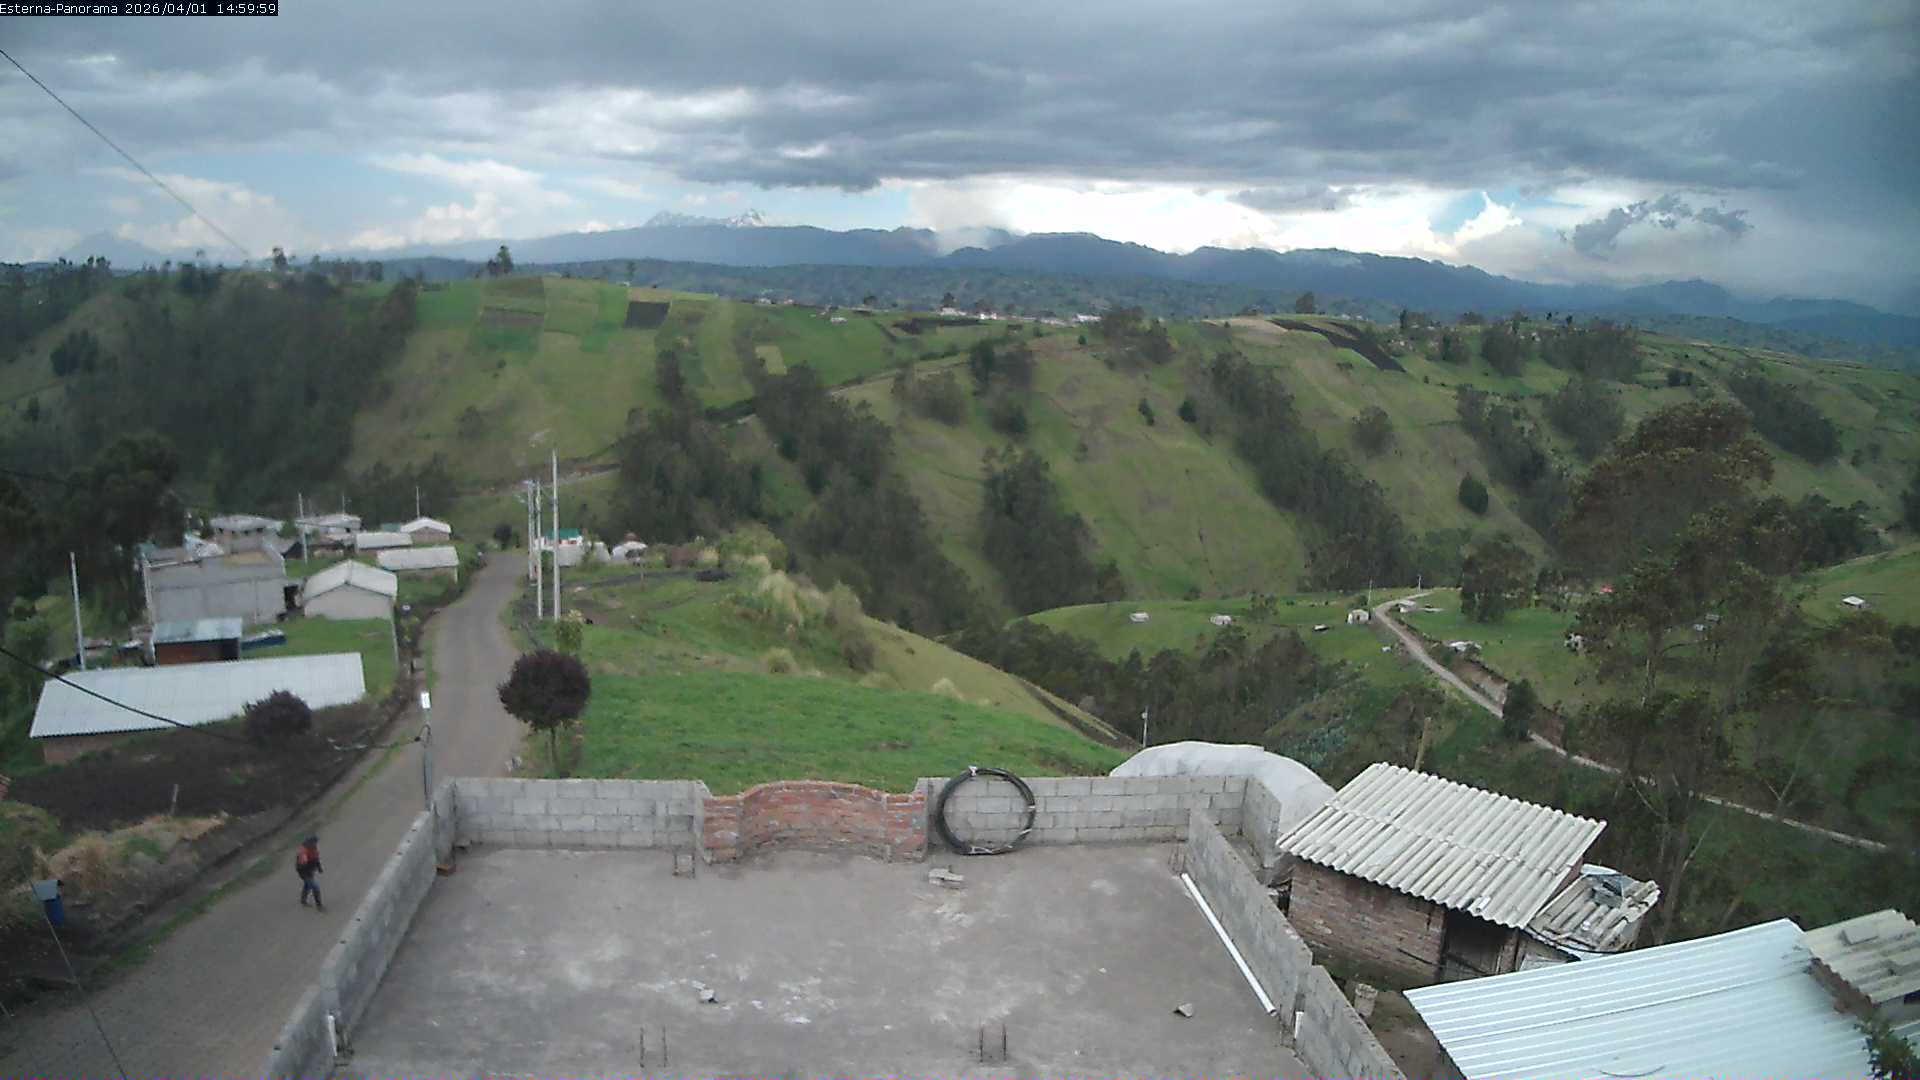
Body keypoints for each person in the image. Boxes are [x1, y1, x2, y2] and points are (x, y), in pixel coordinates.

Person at [295, 835, 324, 911]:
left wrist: (319, 867)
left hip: (310, 871)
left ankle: (303, 900)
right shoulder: (303, 852)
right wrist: (305, 862)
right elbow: (302, 863)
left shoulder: (314, 849)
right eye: (315, 842)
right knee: (315, 887)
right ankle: (319, 905)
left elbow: (316, 858)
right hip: (304, 872)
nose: (316, 843)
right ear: (310, 843)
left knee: (307, 885)